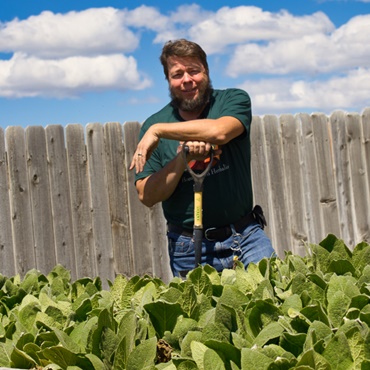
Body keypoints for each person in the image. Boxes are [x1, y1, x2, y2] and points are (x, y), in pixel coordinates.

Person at [130, 39, 275, 278]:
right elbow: (147, 195)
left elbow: (219, 131)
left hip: (246, 236)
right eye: (177, 74)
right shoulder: (155, 121)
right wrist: (181, 161)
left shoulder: (232, 100)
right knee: (199, 314)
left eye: (193, 71)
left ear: (206, 71)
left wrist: (158, 131)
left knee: (273, 301)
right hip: (188, 245)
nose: (187, 79)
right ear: (168, 80)